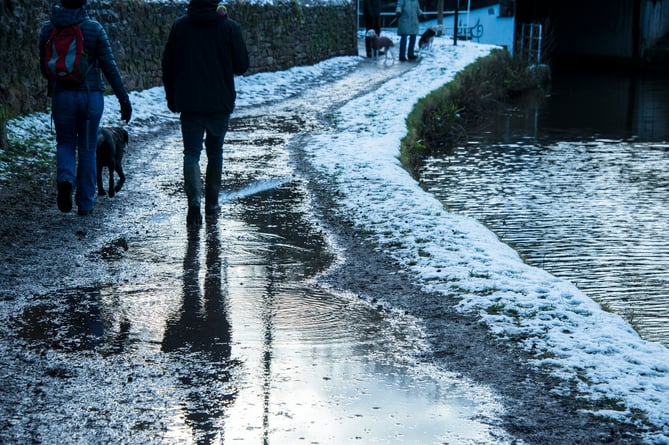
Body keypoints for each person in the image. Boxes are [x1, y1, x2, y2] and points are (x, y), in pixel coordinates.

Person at [39, 0, 132, 216]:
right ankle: (86, 202)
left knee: (65, 143)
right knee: (88, 148)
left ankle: (65, 180)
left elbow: (45, 68)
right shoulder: (94, 28)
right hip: (91, 97)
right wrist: (123, 99)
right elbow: (109, 66)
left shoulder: (48, 29)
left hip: (62, 96)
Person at [162, 0, 250, 228]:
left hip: (189, 102)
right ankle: (212, 203)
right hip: (219, 103)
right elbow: (242, 65)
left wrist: (171, 96)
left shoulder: (180, 27)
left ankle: (194, 203)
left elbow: (167, 64)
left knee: (191, 153)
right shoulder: (229, 28)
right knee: (215, 152)